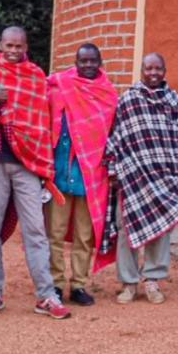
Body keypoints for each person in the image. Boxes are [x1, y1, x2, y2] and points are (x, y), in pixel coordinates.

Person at [0, 26, 70, 320]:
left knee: (36, 230)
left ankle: (46, 295)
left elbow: (43, 119)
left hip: (28, 164)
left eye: (19, 46)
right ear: (0, 44)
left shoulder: (36, 77)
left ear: (26, 47)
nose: (13, 51)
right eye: (8, 45)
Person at [104, 53, 178, 305]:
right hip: (132, 177)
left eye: (158, 69)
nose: (153, 73)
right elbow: (116, 136)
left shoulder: (173, 100)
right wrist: (114, 170)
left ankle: (153, 280)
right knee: (126, 229)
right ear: (141, 70)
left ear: (164, 71)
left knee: (160, 230)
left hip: (164, 178)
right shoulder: (129, 99)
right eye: (148, 68)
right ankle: (128, 283)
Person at [44, 43, 118, 307]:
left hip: (91, 174)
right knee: (55, 231)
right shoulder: (59, 86)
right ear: (75, 62)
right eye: (82, 61)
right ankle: (54, 282)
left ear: (100, 62)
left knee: (85, 235)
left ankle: (78, 285)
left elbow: (111, 135)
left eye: (92, 61)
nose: (87, 66)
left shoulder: (107, 95)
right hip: (60, 171)